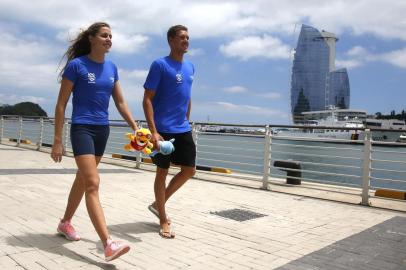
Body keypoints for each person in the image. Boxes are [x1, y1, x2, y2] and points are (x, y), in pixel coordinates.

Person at [51, 22, 137, 261]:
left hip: (102, 130)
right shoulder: (77, 66)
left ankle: (65, 223)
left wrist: (136, 127)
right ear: (91, 38)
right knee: (92, 182)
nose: (109, 39)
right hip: (82, 129)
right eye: (104, 35)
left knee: (82, 179)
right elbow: (60, 104)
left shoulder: (112, 68)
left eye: (111, 36)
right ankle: (108, 243)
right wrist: (57, 139)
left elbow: (120, 103)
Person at [143, 25, 196, 239]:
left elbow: (187, 95)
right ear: (171, 40)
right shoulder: (159, 65)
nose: (186, 41)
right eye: (182, 37)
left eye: (188, 38)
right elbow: (147, 99)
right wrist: (154, 132)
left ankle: (158, 204)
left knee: (189, 170)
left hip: (182, 128)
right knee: (162, 173)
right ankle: (163, 219)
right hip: (162, 129)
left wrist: (187, 119)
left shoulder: (191, 67)